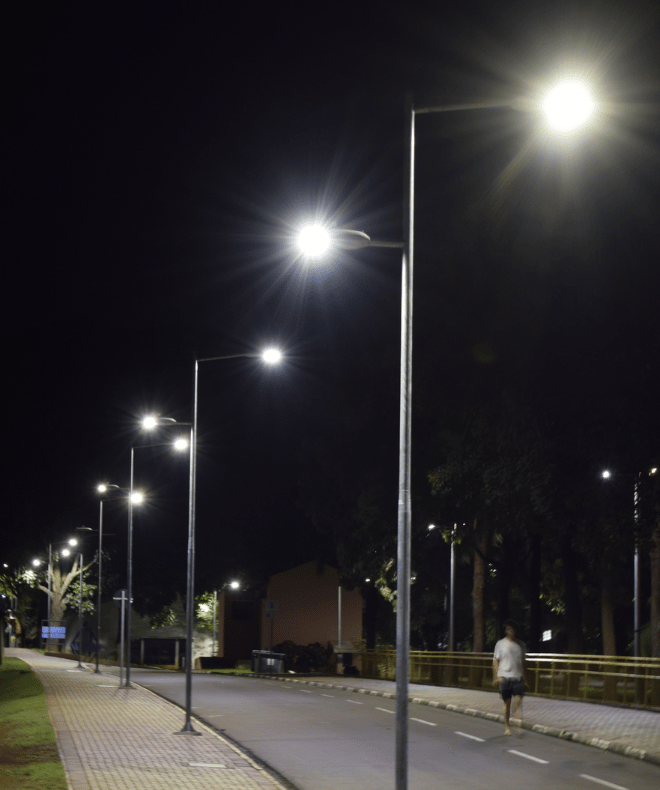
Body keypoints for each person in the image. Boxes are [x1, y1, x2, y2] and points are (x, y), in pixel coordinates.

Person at [493, 619, 527, 735]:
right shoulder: (500, 644)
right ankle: (507, 727)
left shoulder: (521, 645)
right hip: (505, 677)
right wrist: (497, 676)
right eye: (508, 629)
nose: (510, 631)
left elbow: (523, 663)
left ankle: (516, 720)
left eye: (512, 629)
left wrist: (526, 679)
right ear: (506, 631)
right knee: (506, 703)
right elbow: (495, 660)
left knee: (518, 700)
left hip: (517, 677)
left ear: (515, 630)